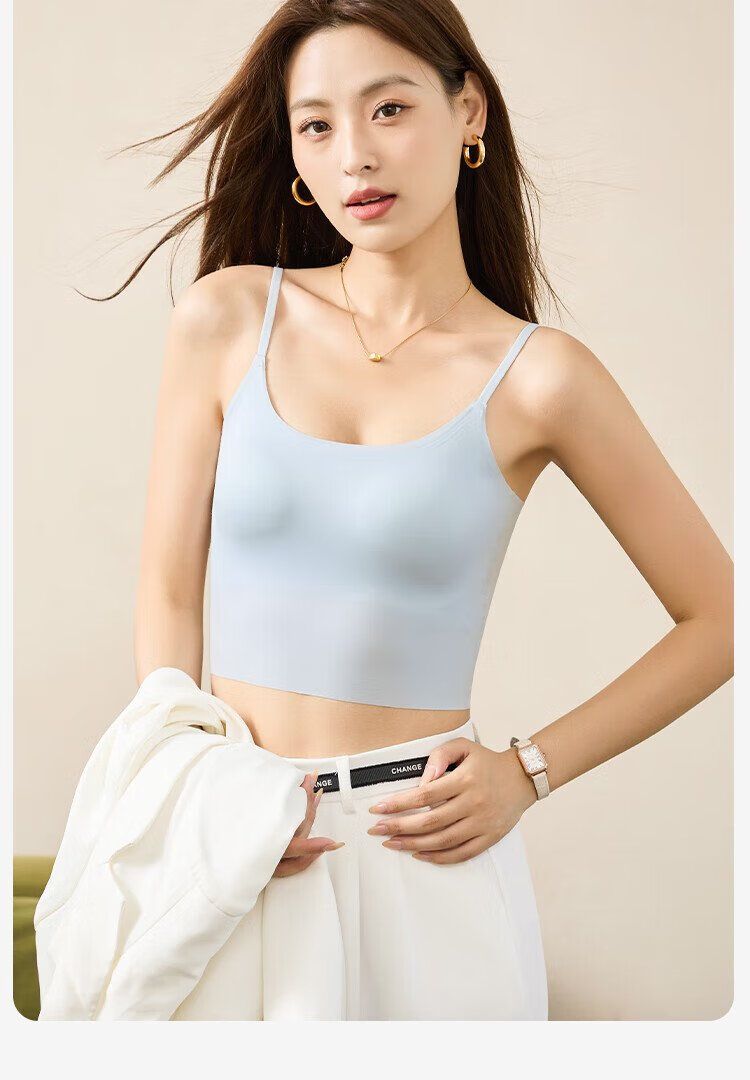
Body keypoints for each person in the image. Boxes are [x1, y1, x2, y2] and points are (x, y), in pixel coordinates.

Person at [96, 0, 733, 1021]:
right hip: (237, 843)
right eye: (316, 125)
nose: (355, 154)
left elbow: (722, 618)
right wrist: (198, 785)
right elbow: (169, 593)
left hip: (427, 864)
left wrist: (526, 772)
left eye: (388, 109)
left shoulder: (541, 378)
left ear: (467, 110)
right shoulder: (227, 316)